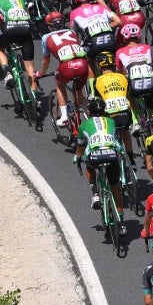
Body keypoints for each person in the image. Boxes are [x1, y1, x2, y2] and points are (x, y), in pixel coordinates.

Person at [76, 98, 126, 229]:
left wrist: (77, 157)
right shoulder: (111, 121)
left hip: (95, 156)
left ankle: (95, 194)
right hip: (111, 155)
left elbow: (80, 145)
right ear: (103, 110)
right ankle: (121, 224)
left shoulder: (84, 125)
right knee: (115, 188)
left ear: (90, 111)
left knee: (89, 167)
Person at [38, 12, 90, 129]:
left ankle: (64, 117)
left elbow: (46, 60)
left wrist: (42, 73)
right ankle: (93, 115)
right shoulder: (72, 32)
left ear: (49, 26)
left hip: (67, 65)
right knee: (79, 93)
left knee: (60, 85)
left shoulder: (46, 38)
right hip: (82, 63)